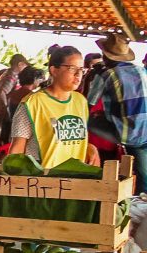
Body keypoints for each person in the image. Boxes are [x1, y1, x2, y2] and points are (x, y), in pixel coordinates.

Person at [8, 45, 99, 168]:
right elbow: (17, 148)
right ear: (54, 70)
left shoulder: (80, 101)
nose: (78, 74)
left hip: (75, 179)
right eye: (72, 68)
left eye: (81, 69)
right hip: (42, 180)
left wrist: (89, 147)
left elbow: (71, 140)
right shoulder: (33, 103)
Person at [88, 33, 147, 189]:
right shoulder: (142, 71)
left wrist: (92, 77)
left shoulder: (106, 74)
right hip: (145, 127)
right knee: (143, 171)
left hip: (130, 133)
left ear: (106, 56)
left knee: (84, 121)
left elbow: (88, 103)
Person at [0, 54, 29, 141]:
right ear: (20, 64)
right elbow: (2, 92)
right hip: (4, 116)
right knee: (3, 141)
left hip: (3, 115)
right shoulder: (10, 76)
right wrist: (7, 109)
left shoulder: (11, 75)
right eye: (25, 66)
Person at [0, 66, 43, 144]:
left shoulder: (12, 94)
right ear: (35, 79)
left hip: (10, 131)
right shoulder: (31, 97)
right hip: (24, 134)